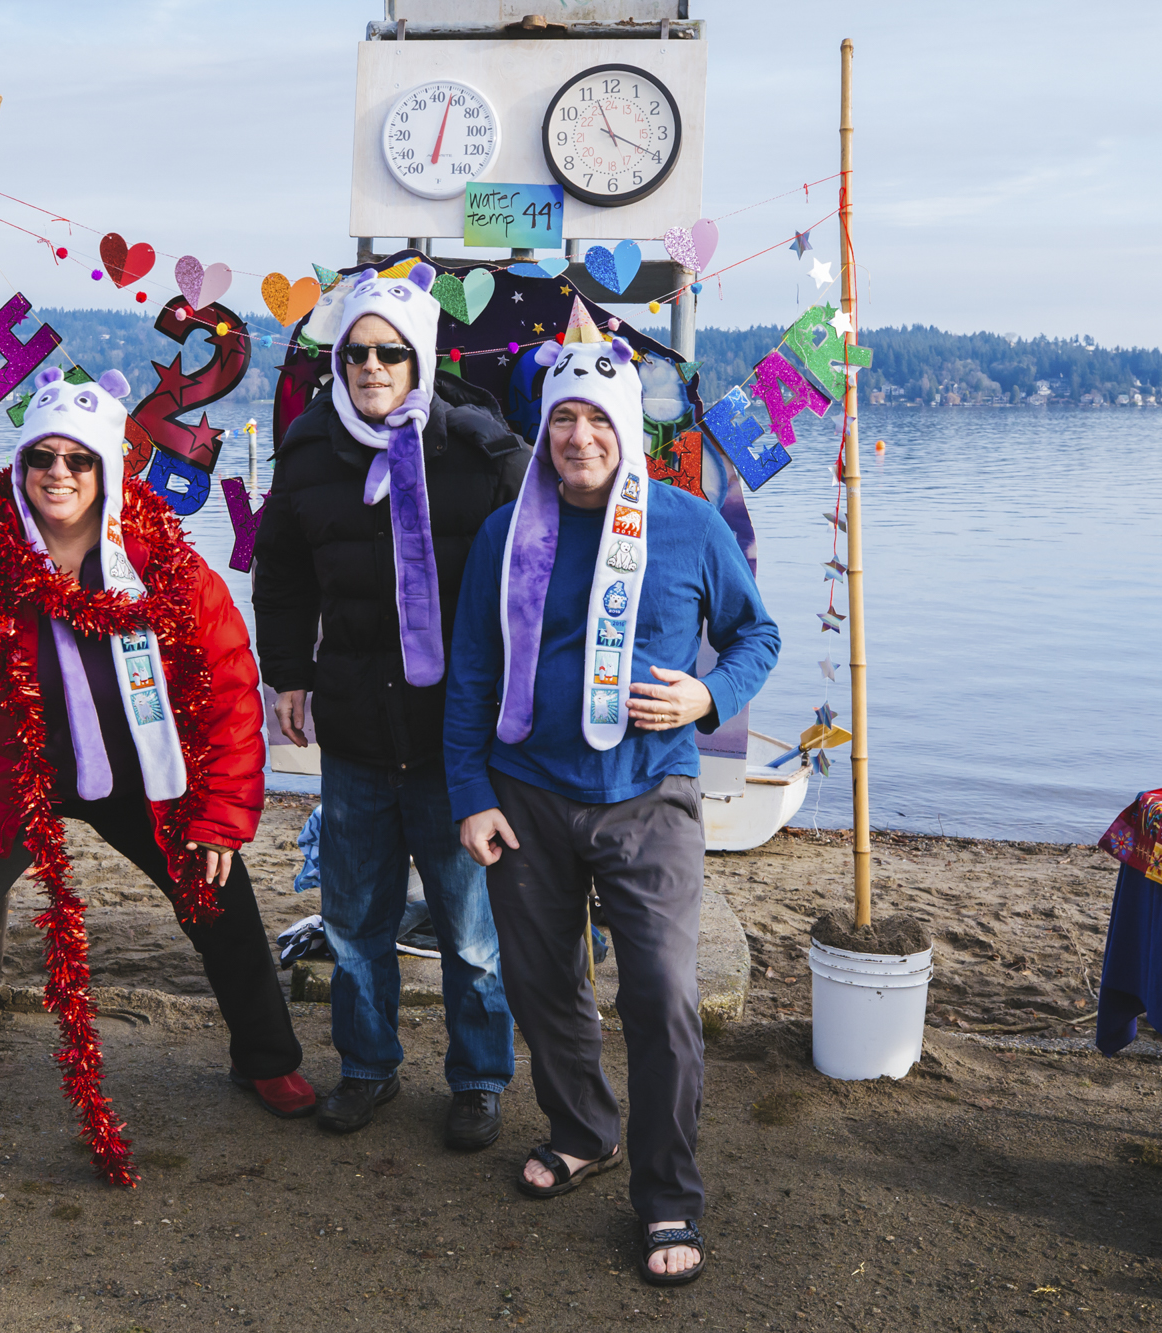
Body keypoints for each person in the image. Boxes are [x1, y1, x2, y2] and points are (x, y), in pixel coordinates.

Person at [0, 366, 312, 1193]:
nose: (58, 473)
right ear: (20, 468)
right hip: (4, 777)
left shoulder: (167, 562)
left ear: (107, 468)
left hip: (144, 772)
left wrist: (223, 813)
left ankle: (266, 1057)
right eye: (41, 458)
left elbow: (231, 685)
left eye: (77, 460)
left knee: (221, 902)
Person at [443, 304, 780, 1286]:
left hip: (647, 796)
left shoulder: (687, 523)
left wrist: (708, 691)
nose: (577, 438)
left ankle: (667, 1192)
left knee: (662, 992)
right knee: (542, 984)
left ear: (625, 428)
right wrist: (471, 792)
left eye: (596, 421)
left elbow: (755, 634)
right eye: (561, 421)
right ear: (542, 429)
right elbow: (470, 669)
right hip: (527, 790)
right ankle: (581, 1127)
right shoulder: (509, 531)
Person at [253, 262, 527, 1148]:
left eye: (390, 353)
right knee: (355, 922)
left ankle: (480, 1078)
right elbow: (283, 576)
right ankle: (367, 1069)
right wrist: (286, 672)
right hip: (358, 730)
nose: (371, 368)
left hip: (457, 741)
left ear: (421, 359)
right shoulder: (308, 453)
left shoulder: (481, 453)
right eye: (356, 353)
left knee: (471, 933)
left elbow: (547, 559)